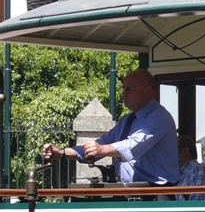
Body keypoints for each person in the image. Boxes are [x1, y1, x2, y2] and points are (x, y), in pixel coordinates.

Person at [43, 69, 179, 185]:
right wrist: (62, 153)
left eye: (129, 89)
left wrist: (102, 150)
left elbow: (133, 146)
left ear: (148, 90)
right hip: (133, 192)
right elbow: (103, 143)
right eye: (123, 89)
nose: (124, 93)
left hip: (156, 196)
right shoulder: (128, 120)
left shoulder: (159, 117)